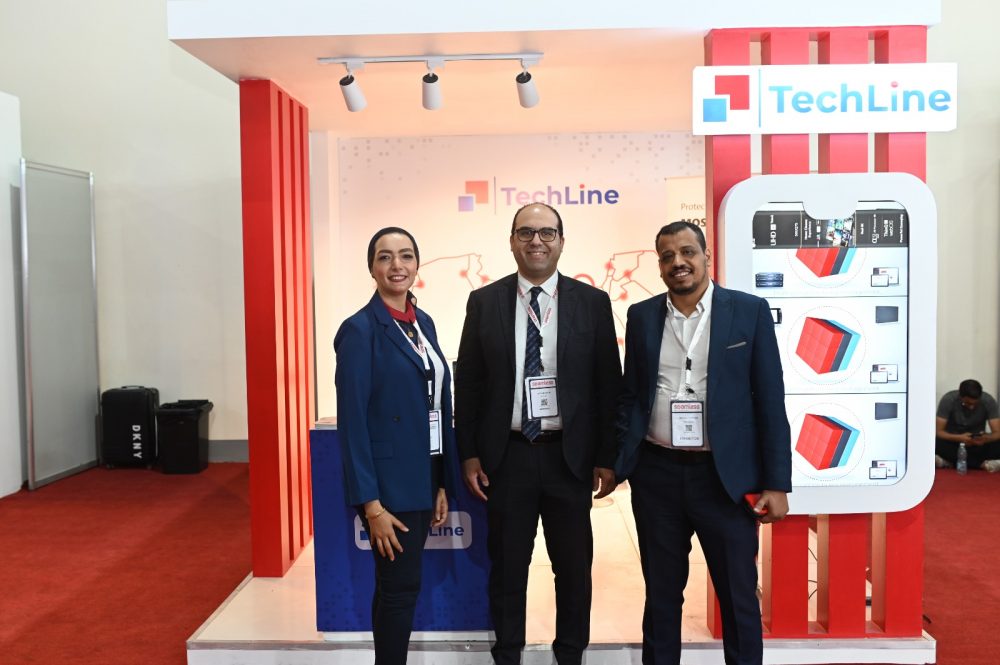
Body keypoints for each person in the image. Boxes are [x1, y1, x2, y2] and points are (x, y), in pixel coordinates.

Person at [615, 221, 791, 665]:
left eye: (687, 252)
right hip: (656, 475)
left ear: (706, 256)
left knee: (738, 595)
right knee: (661, 595)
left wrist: (776, 482)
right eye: (668, 256)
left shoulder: (748, 311)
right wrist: (618, 460)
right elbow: (631, 396)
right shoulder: (641, 316)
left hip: (724, 478)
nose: (678, 262)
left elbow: (770, 399)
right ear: (659, 266)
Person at [454, 203, 621, 665]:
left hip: (569, 458)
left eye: (547, 232)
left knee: (574, 571)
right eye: (525, 232)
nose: (536, 241)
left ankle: (570, 655)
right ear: (511, 241)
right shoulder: (485, 302)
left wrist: (607, 456)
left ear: (562, 242)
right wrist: (469, 453)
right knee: (508, 569)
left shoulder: (592, 303)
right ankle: (507, 655)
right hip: (507, 457)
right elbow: (469, 383)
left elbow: (609, 385)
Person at [334, 227, 457, 664]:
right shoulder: (359, 330)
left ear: (417, 265)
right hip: (388, 490)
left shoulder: (423, 323)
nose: (396, 265)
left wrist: (440, 481)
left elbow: (435, 405)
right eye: (385, 257)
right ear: (372, 268)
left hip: (422, 478)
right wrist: (371, 506)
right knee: (400, 590)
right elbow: (352, 424)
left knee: (397, 588)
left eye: (405, 256)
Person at [935, 379, 1000, 472]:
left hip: (977, 444)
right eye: (967, 403)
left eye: (975, 404)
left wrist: (985, 438)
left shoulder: (988, 401)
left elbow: (997, 433)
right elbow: (939, 432)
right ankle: (981, 464)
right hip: (954, 442)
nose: (971, 407)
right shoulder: (948, 399)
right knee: (935, 442)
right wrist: (959, 438)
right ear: (960, 396)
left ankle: (950, 462)